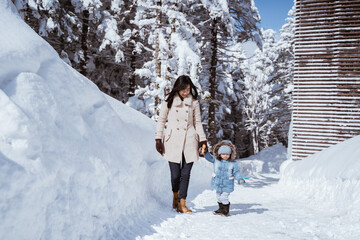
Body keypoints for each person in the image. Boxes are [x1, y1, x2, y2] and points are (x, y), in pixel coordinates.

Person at [155, 75, 207, 214]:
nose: (186, 92)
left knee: (186, 173)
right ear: (177, 88)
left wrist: (203, 140)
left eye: (188, 89)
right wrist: (158, 139)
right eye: (183, 89)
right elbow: (161, 120)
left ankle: (182, 203)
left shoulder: (194, 102)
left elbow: (197, 123)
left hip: (190, 140)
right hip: (172, 141)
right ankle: (175, 196)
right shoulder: (169, 100)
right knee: (175, 175)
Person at [201, 140, 245, 216]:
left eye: (227, 154)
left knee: (224, 197)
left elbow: (236, 172)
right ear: (219, 154)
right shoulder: (216, 160)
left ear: (230, 154)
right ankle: (221, 209)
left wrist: (239, 179)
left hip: (227, 184)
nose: (225, 156)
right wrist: (205, 152)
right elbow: (209, 157)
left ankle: (226, 210)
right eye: (223, 154)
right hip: (217, 183)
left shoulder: (233, 163)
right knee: (218, 196)